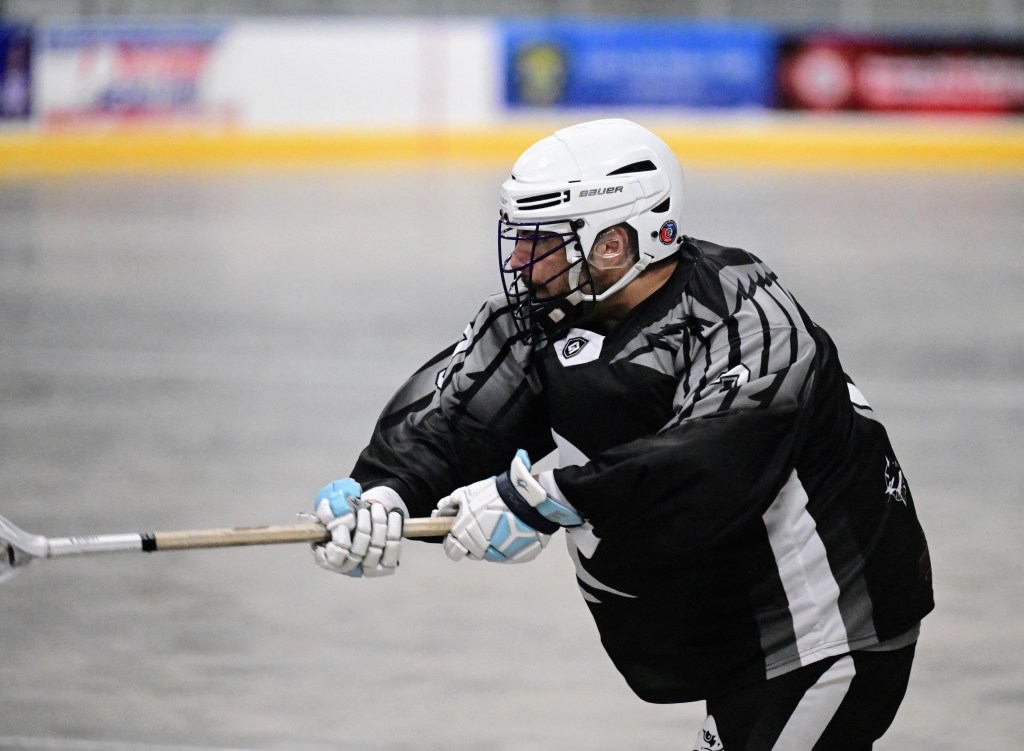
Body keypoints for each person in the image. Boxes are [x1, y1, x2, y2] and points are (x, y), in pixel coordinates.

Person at [309, 118, 934, 750]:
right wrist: (383, 495)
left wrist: (550, 499)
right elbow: (455, 423)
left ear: (614, 243)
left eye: (542, 241)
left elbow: (719, 457)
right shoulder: (549, 315)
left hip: (827, 627)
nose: (520, 261)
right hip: (737, 635)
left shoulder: (744, 311)